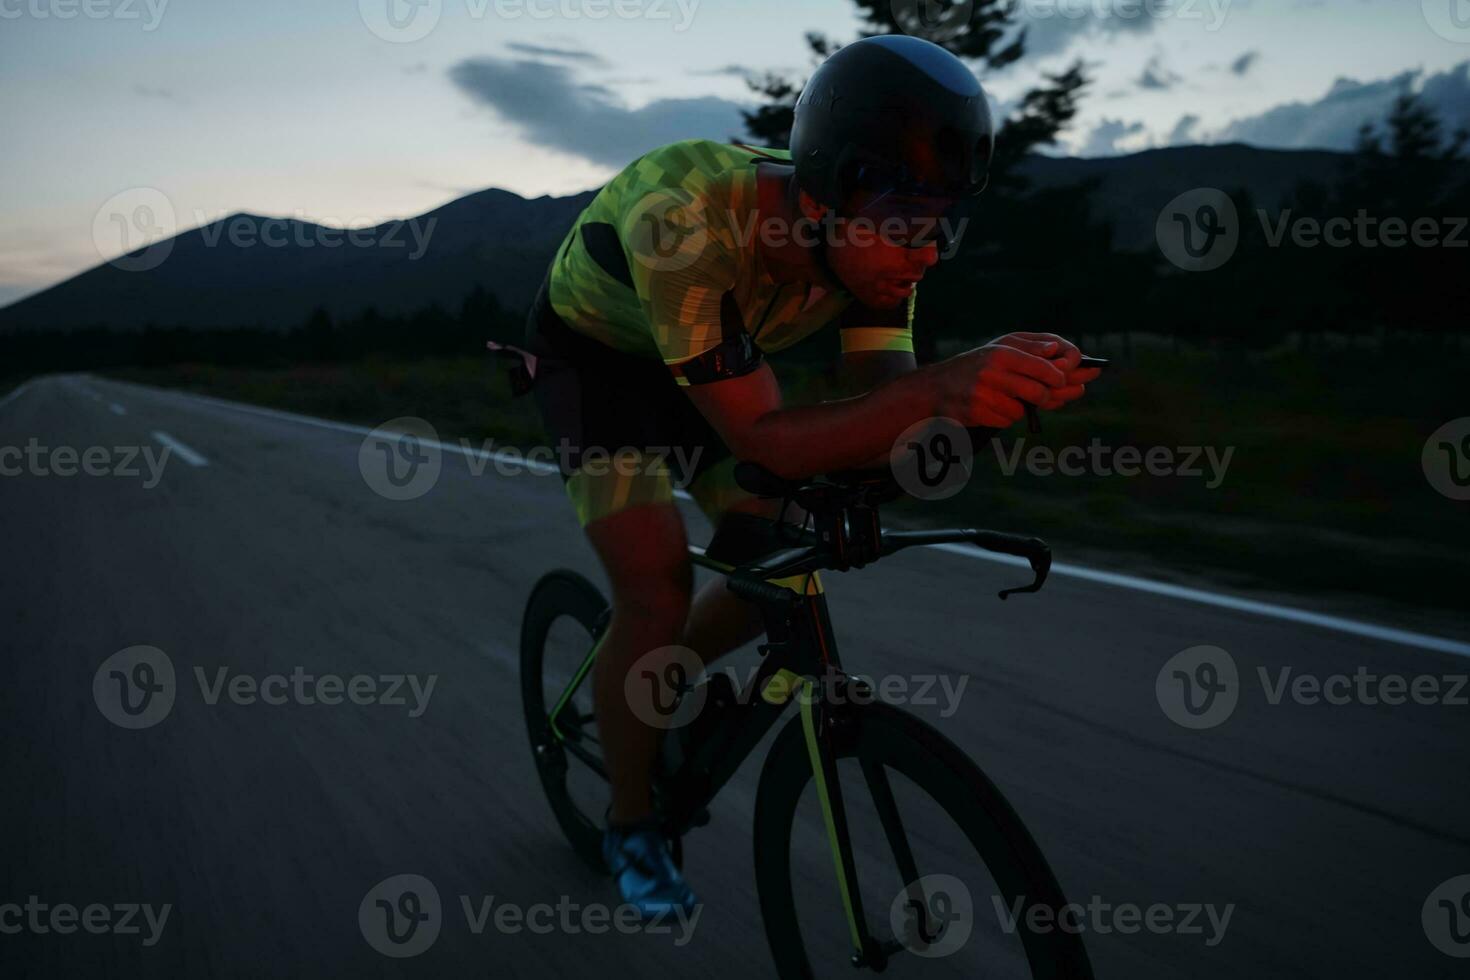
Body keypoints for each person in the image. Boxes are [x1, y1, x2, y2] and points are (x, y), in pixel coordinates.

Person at [517, 34, 1100, 918]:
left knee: (775, 558)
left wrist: (983, 413)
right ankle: (630, 820)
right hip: (599, 370)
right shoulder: (684, 220)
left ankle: (653, 681)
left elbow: (885, 420)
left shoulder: (880, 248)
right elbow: (777, 443)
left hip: (718, 369)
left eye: (947, 222)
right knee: (657, 585)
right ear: (830, 196)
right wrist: (945, 386)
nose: (931, 252)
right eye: (910, 224)